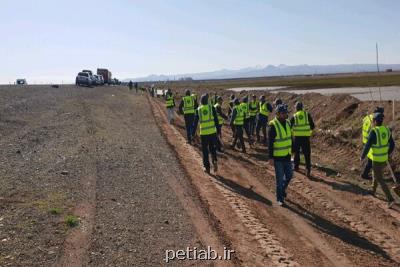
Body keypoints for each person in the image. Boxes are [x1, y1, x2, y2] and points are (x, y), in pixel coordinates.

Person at [360, 112, 395, 208]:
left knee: (379, 178)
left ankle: (390, 199)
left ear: (374, 121)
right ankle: (373, 190)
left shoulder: (374, 131)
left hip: (376, 159)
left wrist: (362, 156)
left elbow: (367, 146)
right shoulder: (387, 130)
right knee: (376, 174)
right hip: (384, 159)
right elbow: (392, 145)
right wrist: (387, 153)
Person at [268, 104, 293, 206]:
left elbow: (290, 137)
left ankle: (282, 190)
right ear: (277, 114)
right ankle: (280, 199)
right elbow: (270, 143)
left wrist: (294, 150)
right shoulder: (273, 125)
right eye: (282, 113)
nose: (284, 115)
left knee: (289, 175)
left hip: (287, 155)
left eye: (285, 113)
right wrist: (270, 157)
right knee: (279, 178)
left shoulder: (288, 123)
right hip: (278, 157)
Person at [194, 94, 219, 174]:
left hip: (204, 133)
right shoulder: (211, 108)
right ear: (207, 101)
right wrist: (218, 131)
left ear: (201, 101)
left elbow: (195, 123)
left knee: (205, 151)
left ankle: (207, 167)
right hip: (212, 132)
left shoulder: (199, 110)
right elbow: (216, 120)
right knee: (212, 148)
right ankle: (214, 160)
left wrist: (193, 133)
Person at [290, 101, 315, 177]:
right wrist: (309, 133)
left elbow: (289, 127)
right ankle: (308, 170)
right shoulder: (307, 114)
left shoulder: (294, 116)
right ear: (302, 107)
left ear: (296, 108)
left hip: (297, 138)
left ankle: (296, 167)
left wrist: (292, 134)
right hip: (306, 138)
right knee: (307, 154)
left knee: (297, 153)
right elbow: (312, 126)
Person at [361, 107, 385, 180]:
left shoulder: (366, 118)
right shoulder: (374, 119)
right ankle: (365, 174)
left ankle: (366, 173)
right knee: (371, 159)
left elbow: (364, 124)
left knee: (370, 158)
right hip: (370, 141)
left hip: (364, 140)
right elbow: (373, 129)